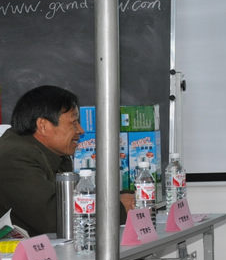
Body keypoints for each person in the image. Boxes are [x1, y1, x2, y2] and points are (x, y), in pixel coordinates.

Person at [0, 85, 133, 235]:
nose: (80, 130)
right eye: (74, 123)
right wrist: (117, 208)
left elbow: (79, 199)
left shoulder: (55, 155)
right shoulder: (14, 157)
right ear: (43, 126)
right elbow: (54, 219)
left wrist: (124, 196)